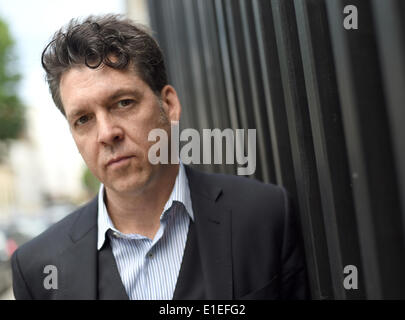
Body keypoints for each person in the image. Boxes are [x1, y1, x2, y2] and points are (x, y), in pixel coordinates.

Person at [11, 14, 309, 300]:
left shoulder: (265, 215)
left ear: (169, 105)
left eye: (123, 103)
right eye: (84, 119)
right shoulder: (37, 268)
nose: (106, 133)